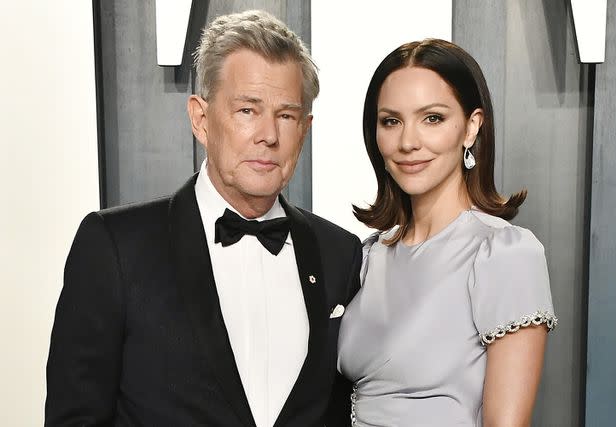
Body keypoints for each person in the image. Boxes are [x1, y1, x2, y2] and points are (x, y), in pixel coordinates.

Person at [45, 10, 361, 427]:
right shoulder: (114, 246)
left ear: (304, 128)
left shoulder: (340, 253)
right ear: (200, 118)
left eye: (286, 115)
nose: (269, 134)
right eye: (248, 110)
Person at [337, 39, 557, 426]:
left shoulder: (504, 252)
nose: (408, 142)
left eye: (432, 118)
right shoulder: (370, 256)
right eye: (391, 121)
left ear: (471, 127)